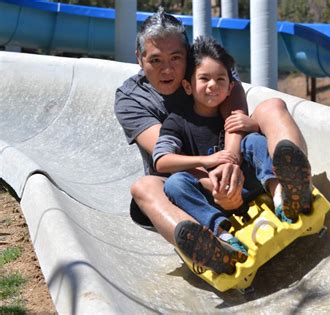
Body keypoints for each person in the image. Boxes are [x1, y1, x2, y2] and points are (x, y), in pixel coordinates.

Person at [114, 9, 312, 274]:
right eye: (155, 60)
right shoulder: (131, 99)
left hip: (237, 166)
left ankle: (293, 190)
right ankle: (211, 246)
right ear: (139, 59)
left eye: (176, 58)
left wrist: (231, 163)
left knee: (271, 107)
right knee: (143, 187)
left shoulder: (207, 66)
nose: (167, 69)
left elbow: (234, 114)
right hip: (190, 187)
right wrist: (217, 185)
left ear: (188, 53)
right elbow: (166, 154)